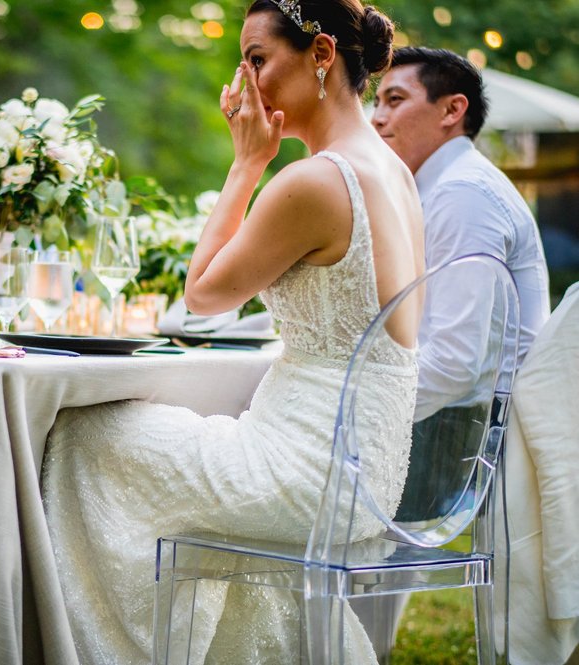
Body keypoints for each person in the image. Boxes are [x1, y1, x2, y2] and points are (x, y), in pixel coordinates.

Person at [41, 1, 425, 663]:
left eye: (257, 60)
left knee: (81, 432)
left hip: (303, 476)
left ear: (322, 55)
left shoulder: (315, 180)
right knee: (173, 440)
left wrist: (247, 163)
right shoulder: (393, 171)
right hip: (369, 478)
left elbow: (205, 294)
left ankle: (114, 648)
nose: (244, 85)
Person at [371, 47, 550, 424]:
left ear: (452, 111)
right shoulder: (440, 187)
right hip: (449, 420)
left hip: (468, 439)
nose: (378, 119)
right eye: (377, 103)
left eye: (395, 100)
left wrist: (358, 412)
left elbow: (455, 363)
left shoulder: (463, 193)